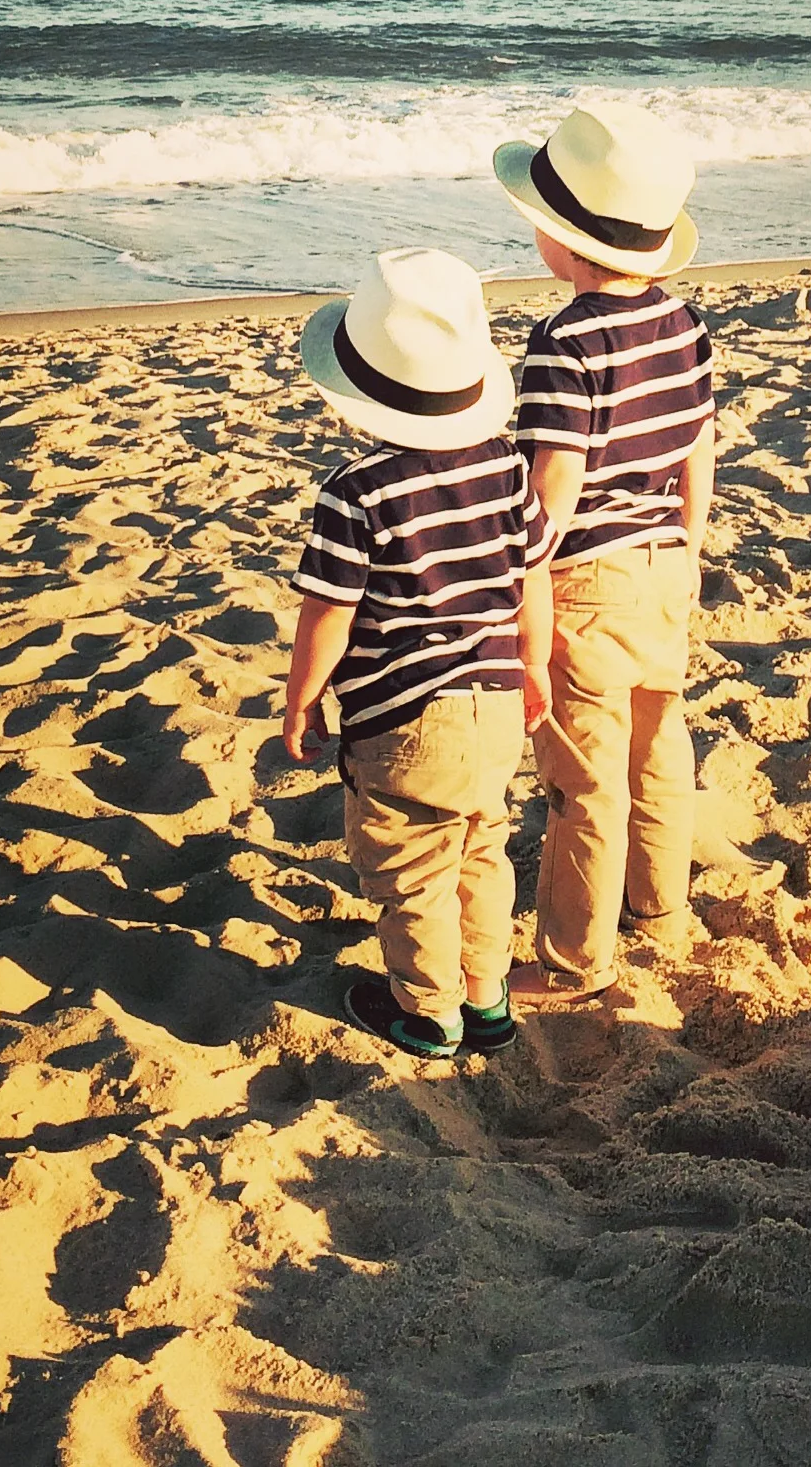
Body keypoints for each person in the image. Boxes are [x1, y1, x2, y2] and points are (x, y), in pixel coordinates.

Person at [281, 247, 555, 1060]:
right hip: (497, 699)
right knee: (480, 844)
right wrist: (532, 663)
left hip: (404, 719)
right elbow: (530, 575)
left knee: (410, 868)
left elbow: (327, 612)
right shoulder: (505, 466)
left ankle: (429, 1014)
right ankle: (489, 999)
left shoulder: (354, 489)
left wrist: (302, 697)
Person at [492, 101, 713, 1007]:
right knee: (659, 749)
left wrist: (521, 577)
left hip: (586, 580)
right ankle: (659, 912)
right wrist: (688, 547)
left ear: (559, 239)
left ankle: (576, 963)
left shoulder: (563, 341)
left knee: (584, 781)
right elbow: (698, 444)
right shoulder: (684, 322)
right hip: (665, 561)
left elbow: (558, 485)